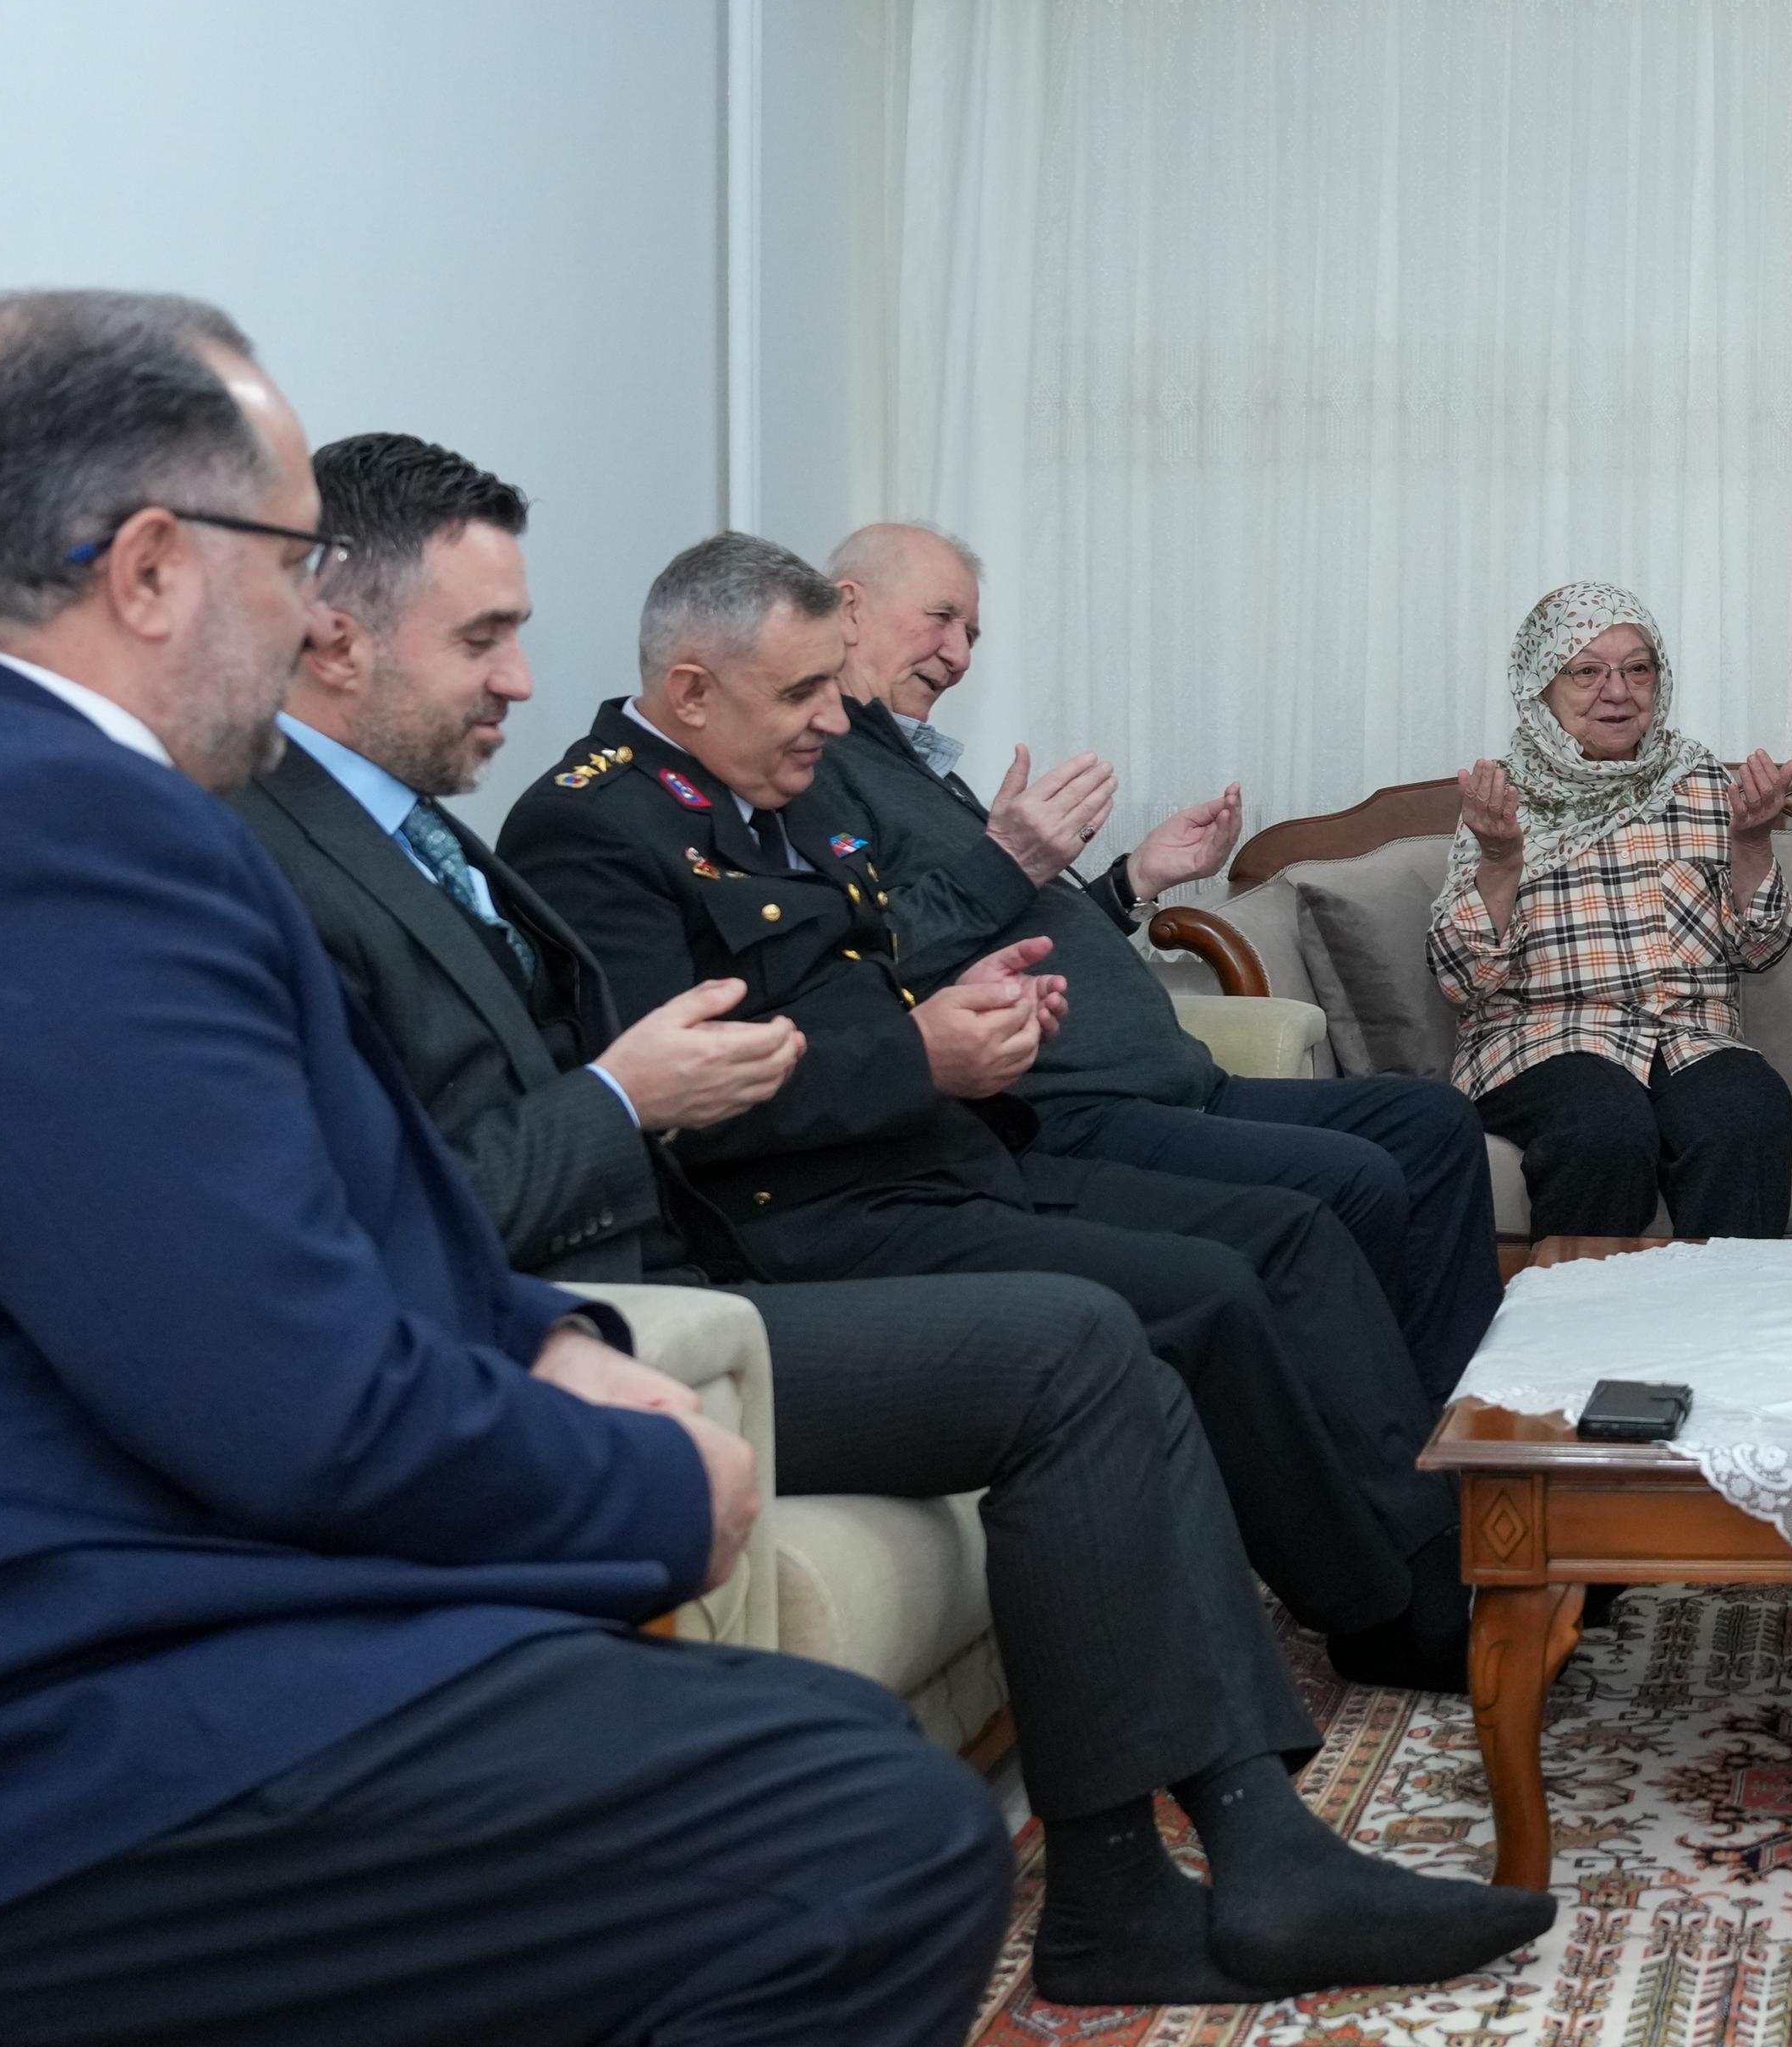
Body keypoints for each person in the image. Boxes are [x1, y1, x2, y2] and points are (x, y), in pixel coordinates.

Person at [0, 293, 1006, 2047]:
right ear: (151, 569)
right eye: (291, 562)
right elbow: (285, 1399)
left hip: (62, 1651)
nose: (309, 619)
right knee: (862, 1835)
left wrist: (548, 1340)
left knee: (793, 1756)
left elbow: (311, 1211)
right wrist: (667, 1487)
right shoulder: (39, 834)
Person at [235, 435, 1551, 2006]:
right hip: (676, 1283)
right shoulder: (356, 843)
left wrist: (951, 1016)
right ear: (335, 633)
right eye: (483, 638)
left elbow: (788, 1006)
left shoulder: (432, 827)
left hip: (769, 1227)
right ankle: (1233, 1839)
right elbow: (473, 1163)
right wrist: (646, 1097)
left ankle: (1193, 1869)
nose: (523, 676)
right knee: (1110, 1331)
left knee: (1140, 1322)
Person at [500, 534, 1475, 1690]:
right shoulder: (593, 825)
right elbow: (689, 1092)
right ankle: (1393, 1613)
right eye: (805, 690)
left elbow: (867, 973)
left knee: (1295, 1232)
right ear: (693, 690)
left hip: (954, 1149)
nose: (830, 717)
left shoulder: (778, 792)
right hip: (820, 1211)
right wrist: (920, 1049)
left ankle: (1448, 1555)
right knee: (1213, 1287)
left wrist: (975, 1005)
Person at [818, 520, 1503, 1395]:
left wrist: (1136, 877)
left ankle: (1456, 1406)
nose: (957, 655)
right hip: (1075, 1109)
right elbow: (866, 956)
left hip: (1179, 1080)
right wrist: (1008, 859)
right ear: (848, 607)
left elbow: (1019, 925)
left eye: (972, 634)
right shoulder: (818, 771)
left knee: (1431, 1121)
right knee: (1356, 1177)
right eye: (940, 618)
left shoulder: (915, 769)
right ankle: (1382, 1432)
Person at [1432, 582, 1792, 1239]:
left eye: (1637, 669)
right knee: (1604, 1124)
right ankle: (1580, 1305)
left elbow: (1762, 950)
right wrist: (1501, 861)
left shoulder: (1701, 783)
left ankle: (1727, 1305)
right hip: (1544, 1041)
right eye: (1586, 672)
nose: (1618, 691)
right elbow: (1463, 981)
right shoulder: (1506, 798)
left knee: (1746, 1111)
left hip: (1690, 1037)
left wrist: (1750, 844)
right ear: (1541, 685)